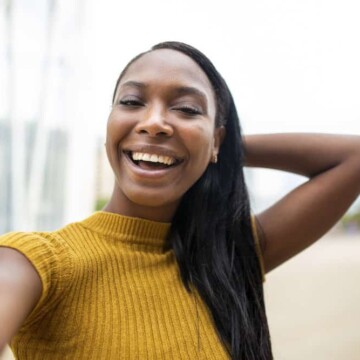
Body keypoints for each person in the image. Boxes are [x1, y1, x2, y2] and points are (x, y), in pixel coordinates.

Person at [0, 41, 359, 360]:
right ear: (109, 124)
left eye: (187, 109)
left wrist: (211, 148)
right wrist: (196, 142)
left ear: (217, 138)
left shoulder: (230, 256)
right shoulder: (36, 262)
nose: (154, 122)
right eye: (131, 102)